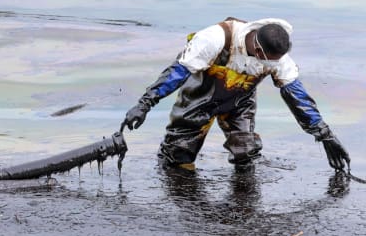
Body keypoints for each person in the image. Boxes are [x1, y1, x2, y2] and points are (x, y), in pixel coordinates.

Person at [123, 17, 350, 172]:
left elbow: (298, 98)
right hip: (200, 98)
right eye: (269, 60)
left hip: (240, 102)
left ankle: (243, 209)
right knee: (178, 155)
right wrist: (145, 104)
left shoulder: (279, 60)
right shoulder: (215, 38)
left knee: (246, 153)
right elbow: (177, 73)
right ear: (259, 50)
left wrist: (324, 134)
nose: (274, 64)